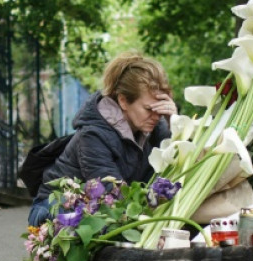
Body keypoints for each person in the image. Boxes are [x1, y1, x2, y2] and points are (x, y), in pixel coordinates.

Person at [28, 52, 177, 226]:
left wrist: (175, 123)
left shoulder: (154, 125)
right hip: (54, 208)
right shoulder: (93, 135)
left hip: (98, 207)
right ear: (123, 101)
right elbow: (112, 195)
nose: (156, 116)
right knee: (102, 225)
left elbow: (175, 167)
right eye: (149, 109)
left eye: (160, 109)